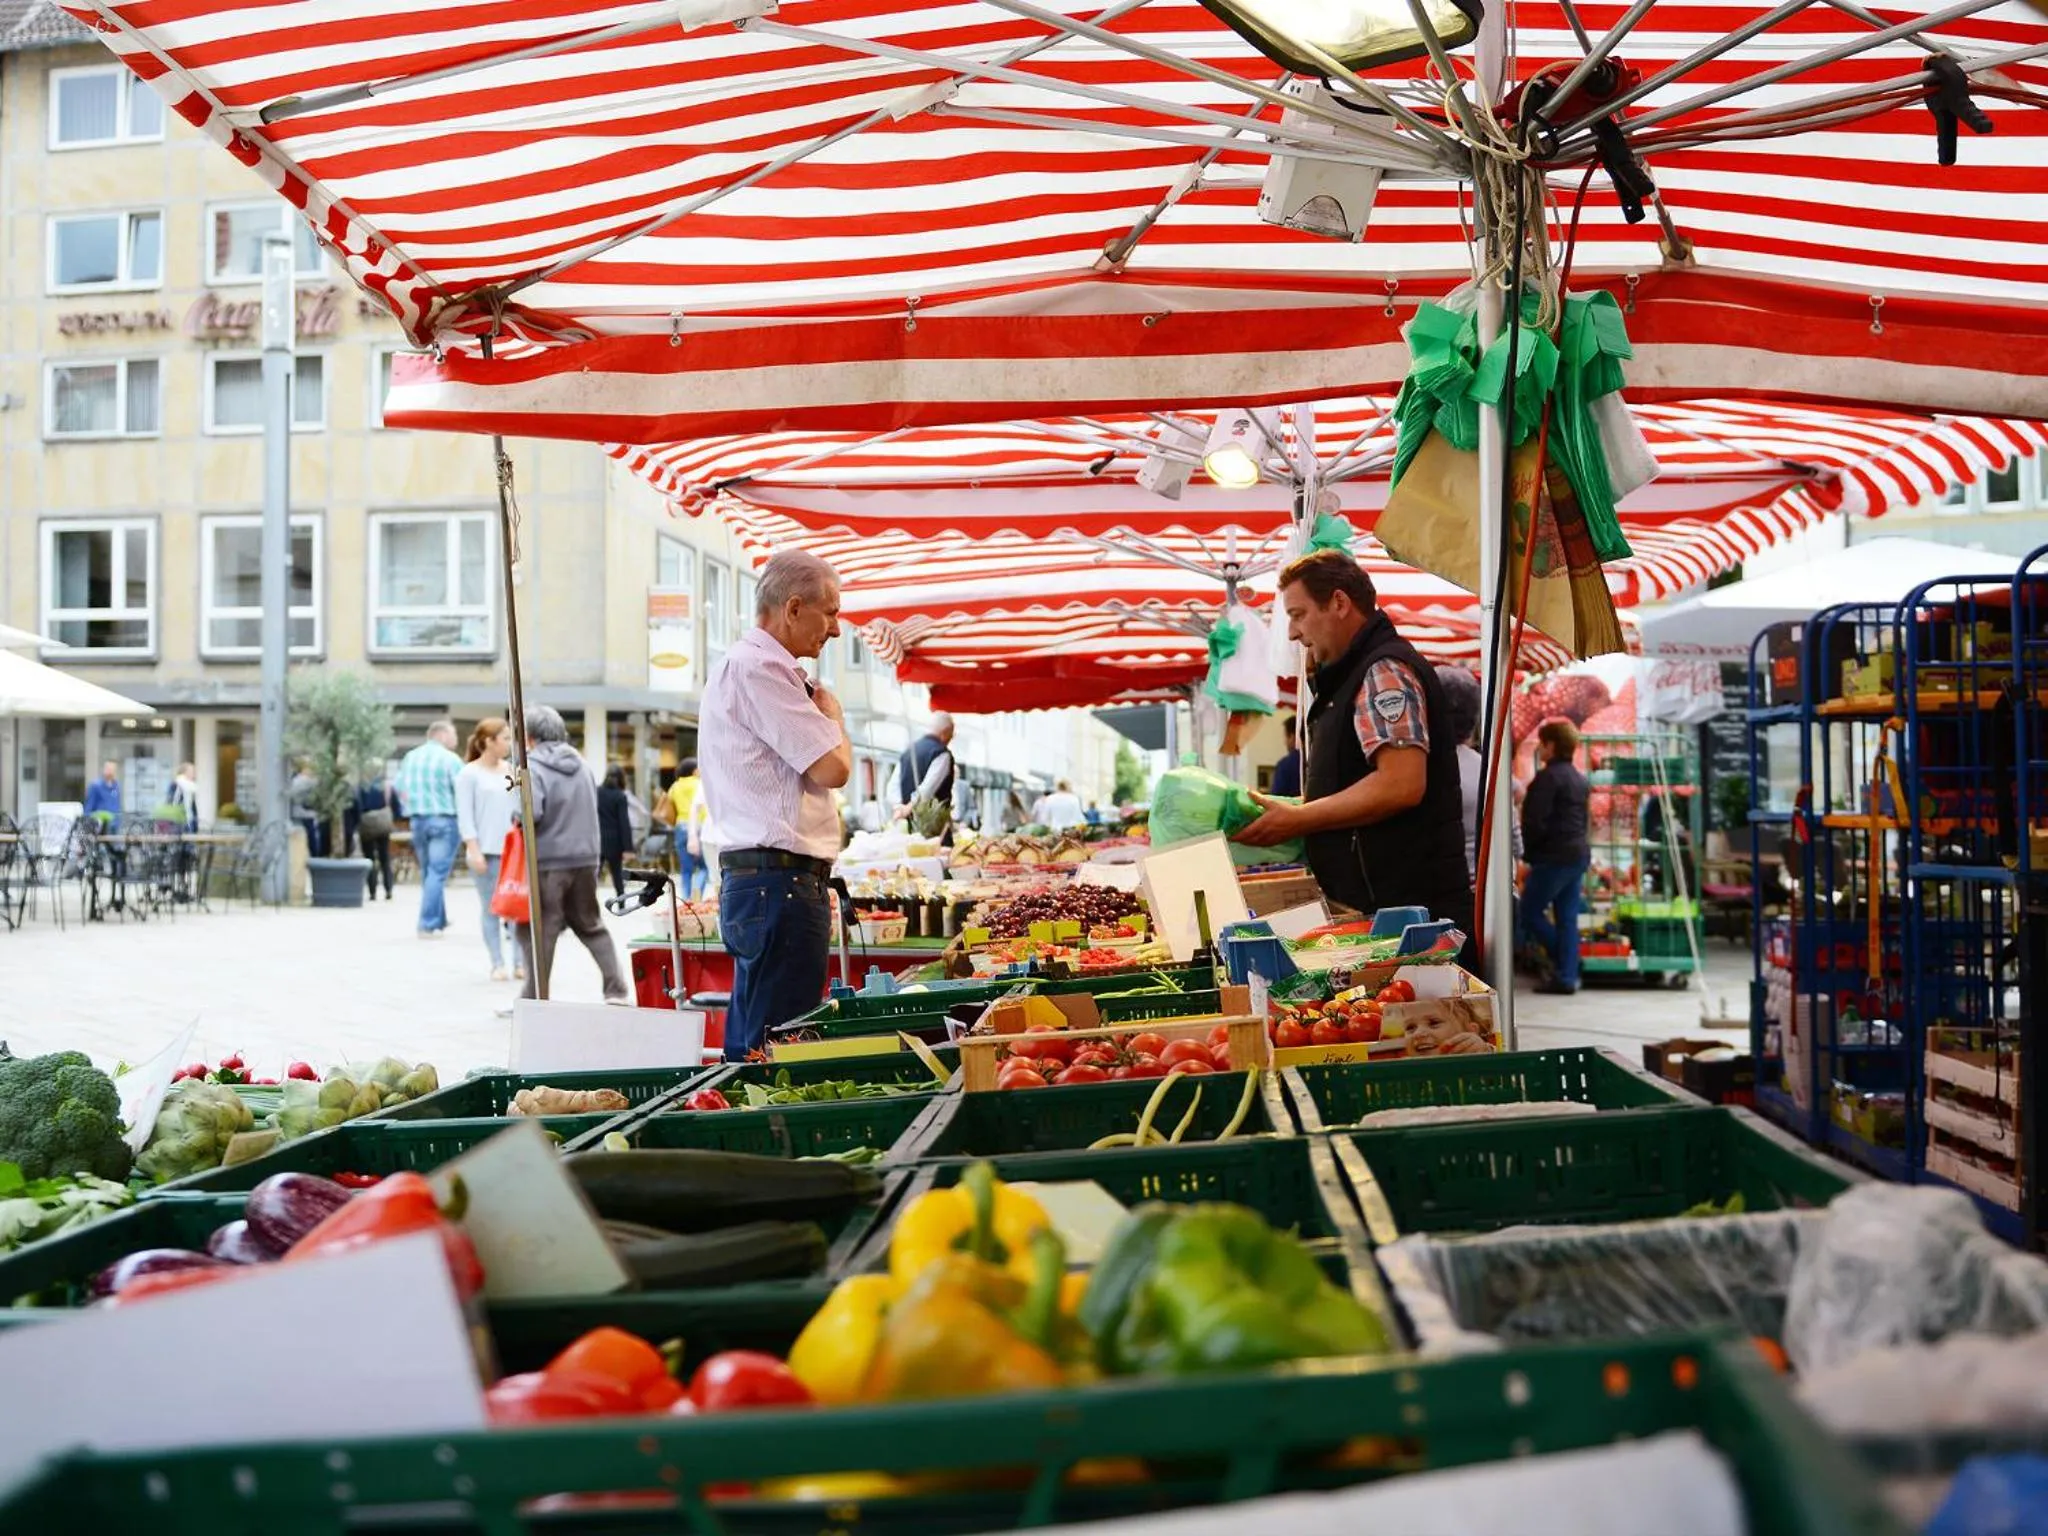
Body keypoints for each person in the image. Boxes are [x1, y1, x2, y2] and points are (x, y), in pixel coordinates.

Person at [1235, 550, 1476, 953]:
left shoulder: (1384, 672)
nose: (1293, 633)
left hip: (1410, 923)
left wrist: (1301, 818)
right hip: (1382, 915)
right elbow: (1350, 784)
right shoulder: (1352, 677)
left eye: (1298, 614)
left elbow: (1401, 784)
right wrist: (1292, 810)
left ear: (1340, 603)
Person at [698, 550, 851, 1060]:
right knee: (774, 1054)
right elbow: (835, 769)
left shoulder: (753, 667)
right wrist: (835, 718)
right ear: (792, 608)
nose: (833, 629)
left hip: (771, 885)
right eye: (829, 612)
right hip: (777, 885)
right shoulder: (760, 667)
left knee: (759, 1044)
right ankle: (754, 1139)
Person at [516, 707, 630, 1003]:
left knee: (540, 929)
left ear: (529, 737)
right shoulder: (582, 764)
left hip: (549, 860)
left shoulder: (532, 767)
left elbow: (532, 812)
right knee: (591, 925)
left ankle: (534, 997)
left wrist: (516, 811)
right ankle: (615, 990)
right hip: (586, 857)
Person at [1521, 718, 1592, 996]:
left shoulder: (1547, 778)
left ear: (1551, 745)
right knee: (1567, 917)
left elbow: (1534, 821)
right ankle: (1567, 974)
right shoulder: (1578, 778)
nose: (1541, 747)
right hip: (1577, 853)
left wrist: (1527, 853)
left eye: (1543, 743)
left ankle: (1568, 963)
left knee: (1528, 912)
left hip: (1554, 856)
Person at [457, 718, 520, 979]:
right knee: (490, 909)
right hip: (485, 851)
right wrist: (474, 849)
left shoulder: (512, 771)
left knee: (517, 909)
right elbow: (465, 815)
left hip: (513, 852)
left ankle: (519, 963)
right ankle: (497, 963)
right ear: (488, 741)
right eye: (504, 738)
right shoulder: (468, 774)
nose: (508, 743)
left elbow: (519, 810)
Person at [396, 720, 464, 939]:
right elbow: (462, 789)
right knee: (437, 873)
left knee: (429, 872)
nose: (456, 739)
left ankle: (438, 918)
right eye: (453, 734)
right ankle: (427, 923)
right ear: (442, 735)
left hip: (418, 820)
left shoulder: (410, 757)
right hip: (444, 819)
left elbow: (398, 787)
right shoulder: (450, 759)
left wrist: (411, 804)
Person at [1433, 666, 1485, 880]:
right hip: (1489, 888)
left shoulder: (1421, 770)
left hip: (1443, 889)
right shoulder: (1488, 767)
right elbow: (1515, 841)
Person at [663, 758, 708, 900]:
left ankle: (687, 899)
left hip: (681, 827)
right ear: (695, 770)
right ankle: (697, 893)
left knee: (686, 869)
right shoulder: (700, 784)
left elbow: (670, 806)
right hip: (699, 826)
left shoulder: (675, 786)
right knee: (704, 867)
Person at [353, 770, 397, 902]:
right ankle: (388, 889)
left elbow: (356, 806)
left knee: (369, 857)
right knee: (385, 858)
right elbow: (396, 805)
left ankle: (372, 891)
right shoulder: (387, 787)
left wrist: (357, 823)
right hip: (383, 825)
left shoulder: (361, 787)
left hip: (367, 825)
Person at [896, 713, 955, 811]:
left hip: (904, 820)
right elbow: (927, 790)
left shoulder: (908, 750)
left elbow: (893, 786)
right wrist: (908, 809)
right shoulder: (941, 754)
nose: (952, 737)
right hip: (931, 821)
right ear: (945, 732)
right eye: (951, 733)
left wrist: (899, 808)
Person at [598, 764, 634, 899]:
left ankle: (587, 905)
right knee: (617, 875)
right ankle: (621, 902)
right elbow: (624, 822)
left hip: (598, 840)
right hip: (615, 842)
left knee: (594, 875)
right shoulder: (620, 796)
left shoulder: (596, 792)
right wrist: (628, 848)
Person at [1269, 717, 1302, 798]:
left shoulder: (1285, 765)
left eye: (1286, 737)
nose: (1285, 742)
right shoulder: (1317, 761)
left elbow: (1276, 798)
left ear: (1292, 736)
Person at [169, 762, 200, 830]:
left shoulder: (189, 787)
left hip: (189, 821)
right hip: (179, 823)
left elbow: (192, 807)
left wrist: (195, 824)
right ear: (185, 772)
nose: (194, 775)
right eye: (192, 772)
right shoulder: (177, 784)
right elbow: (172, 803)